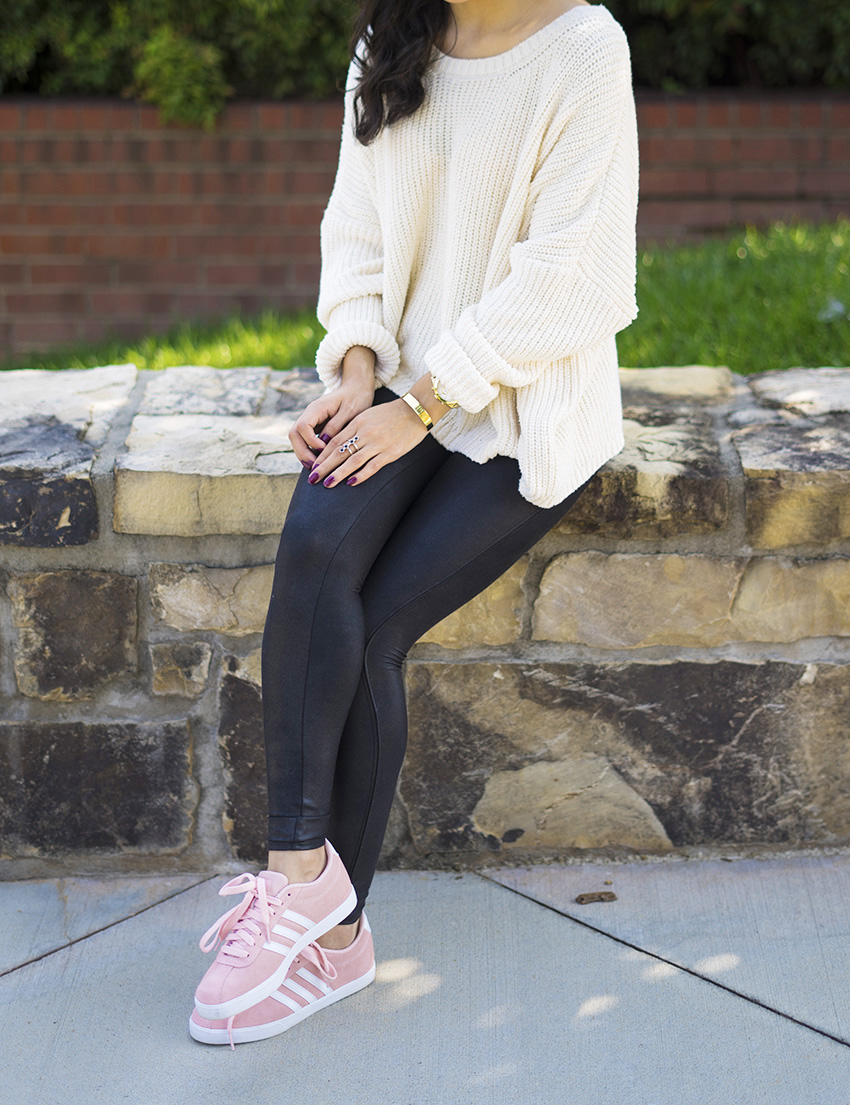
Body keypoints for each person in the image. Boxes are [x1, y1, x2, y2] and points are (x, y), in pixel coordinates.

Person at [189, 0, 639, 1047]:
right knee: (313, 550)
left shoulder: (582, 47)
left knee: (375, 627)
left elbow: (571, 278)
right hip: (397, 388)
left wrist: (420, 406)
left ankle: (337, 939)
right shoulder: (390, 36)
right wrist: (355, 369)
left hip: (521, 404)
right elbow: (357, 226)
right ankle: (302, 878)